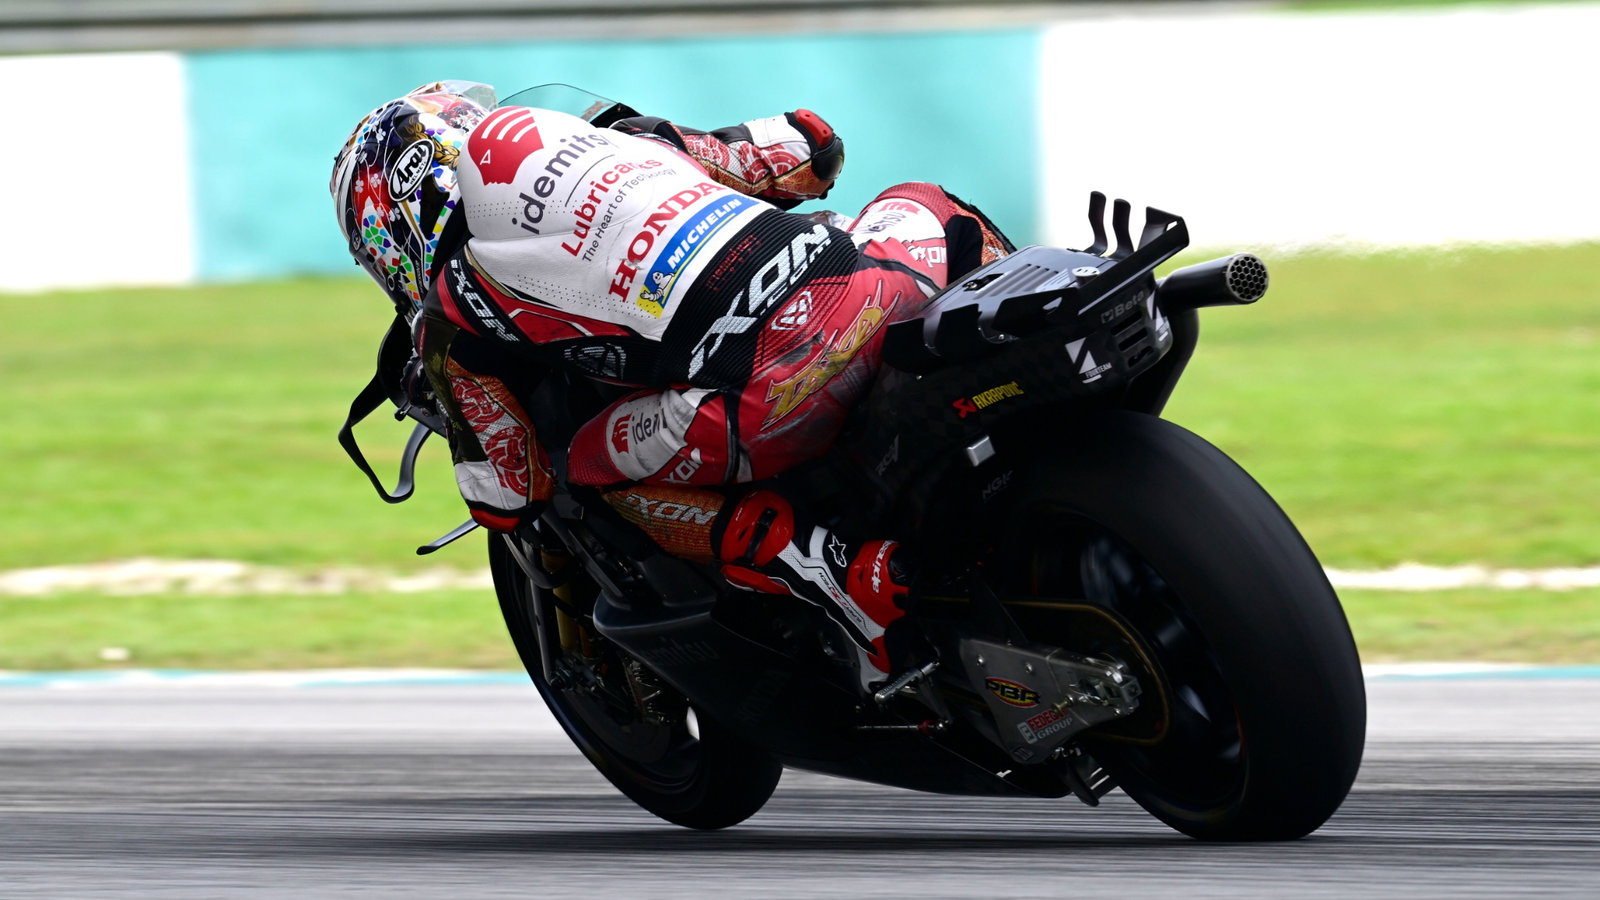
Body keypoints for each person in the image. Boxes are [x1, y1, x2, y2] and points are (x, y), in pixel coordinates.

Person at [330, 81, 1013, 690]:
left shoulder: (452, 314)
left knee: (590, 475)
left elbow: (513, 491)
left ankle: (831, 575)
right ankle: (1043, 309)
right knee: (920, 199)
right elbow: (809, 146)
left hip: (766, 400)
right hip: (877, 295)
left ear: (389, 228)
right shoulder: (635, 142)